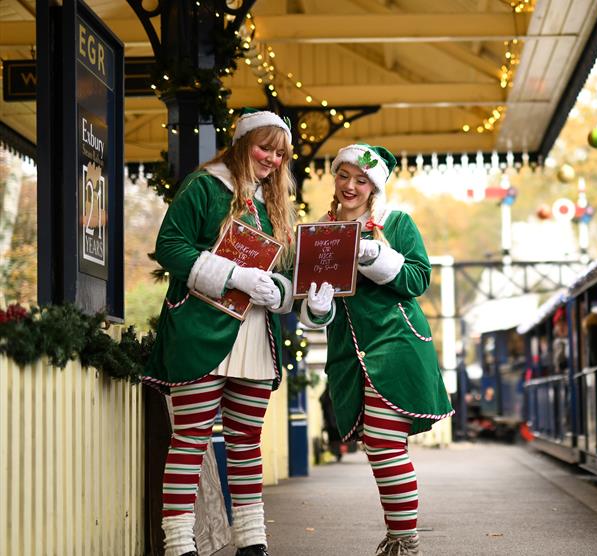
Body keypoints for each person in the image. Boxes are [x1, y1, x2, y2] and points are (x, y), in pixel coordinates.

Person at [143, 109, 297, 556]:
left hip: (253, 336)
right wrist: (233, 276)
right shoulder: (204, 186)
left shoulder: (273, 203)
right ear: (241, 143)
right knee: (190, 438)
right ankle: (178, 544)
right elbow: (170, 246)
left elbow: (284, 269)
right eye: (264, 147)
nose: (271, 159)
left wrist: (278, 290)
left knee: (246, 442)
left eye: (279, 153)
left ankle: (253, 541)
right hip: (200, 329)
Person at [298, 143, 453, 556]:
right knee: (380, 447)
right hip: (350, 353)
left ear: (373, 186)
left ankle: (406, 541)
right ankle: (398, 536)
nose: (351, 186)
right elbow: (309, 301)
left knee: (385, 443)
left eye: (361, 179)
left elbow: (419, 279)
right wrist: (315, 308)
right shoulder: (321, 231)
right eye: (344, 176)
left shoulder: (395, 222)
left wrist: (376, 257)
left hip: (395, 342)